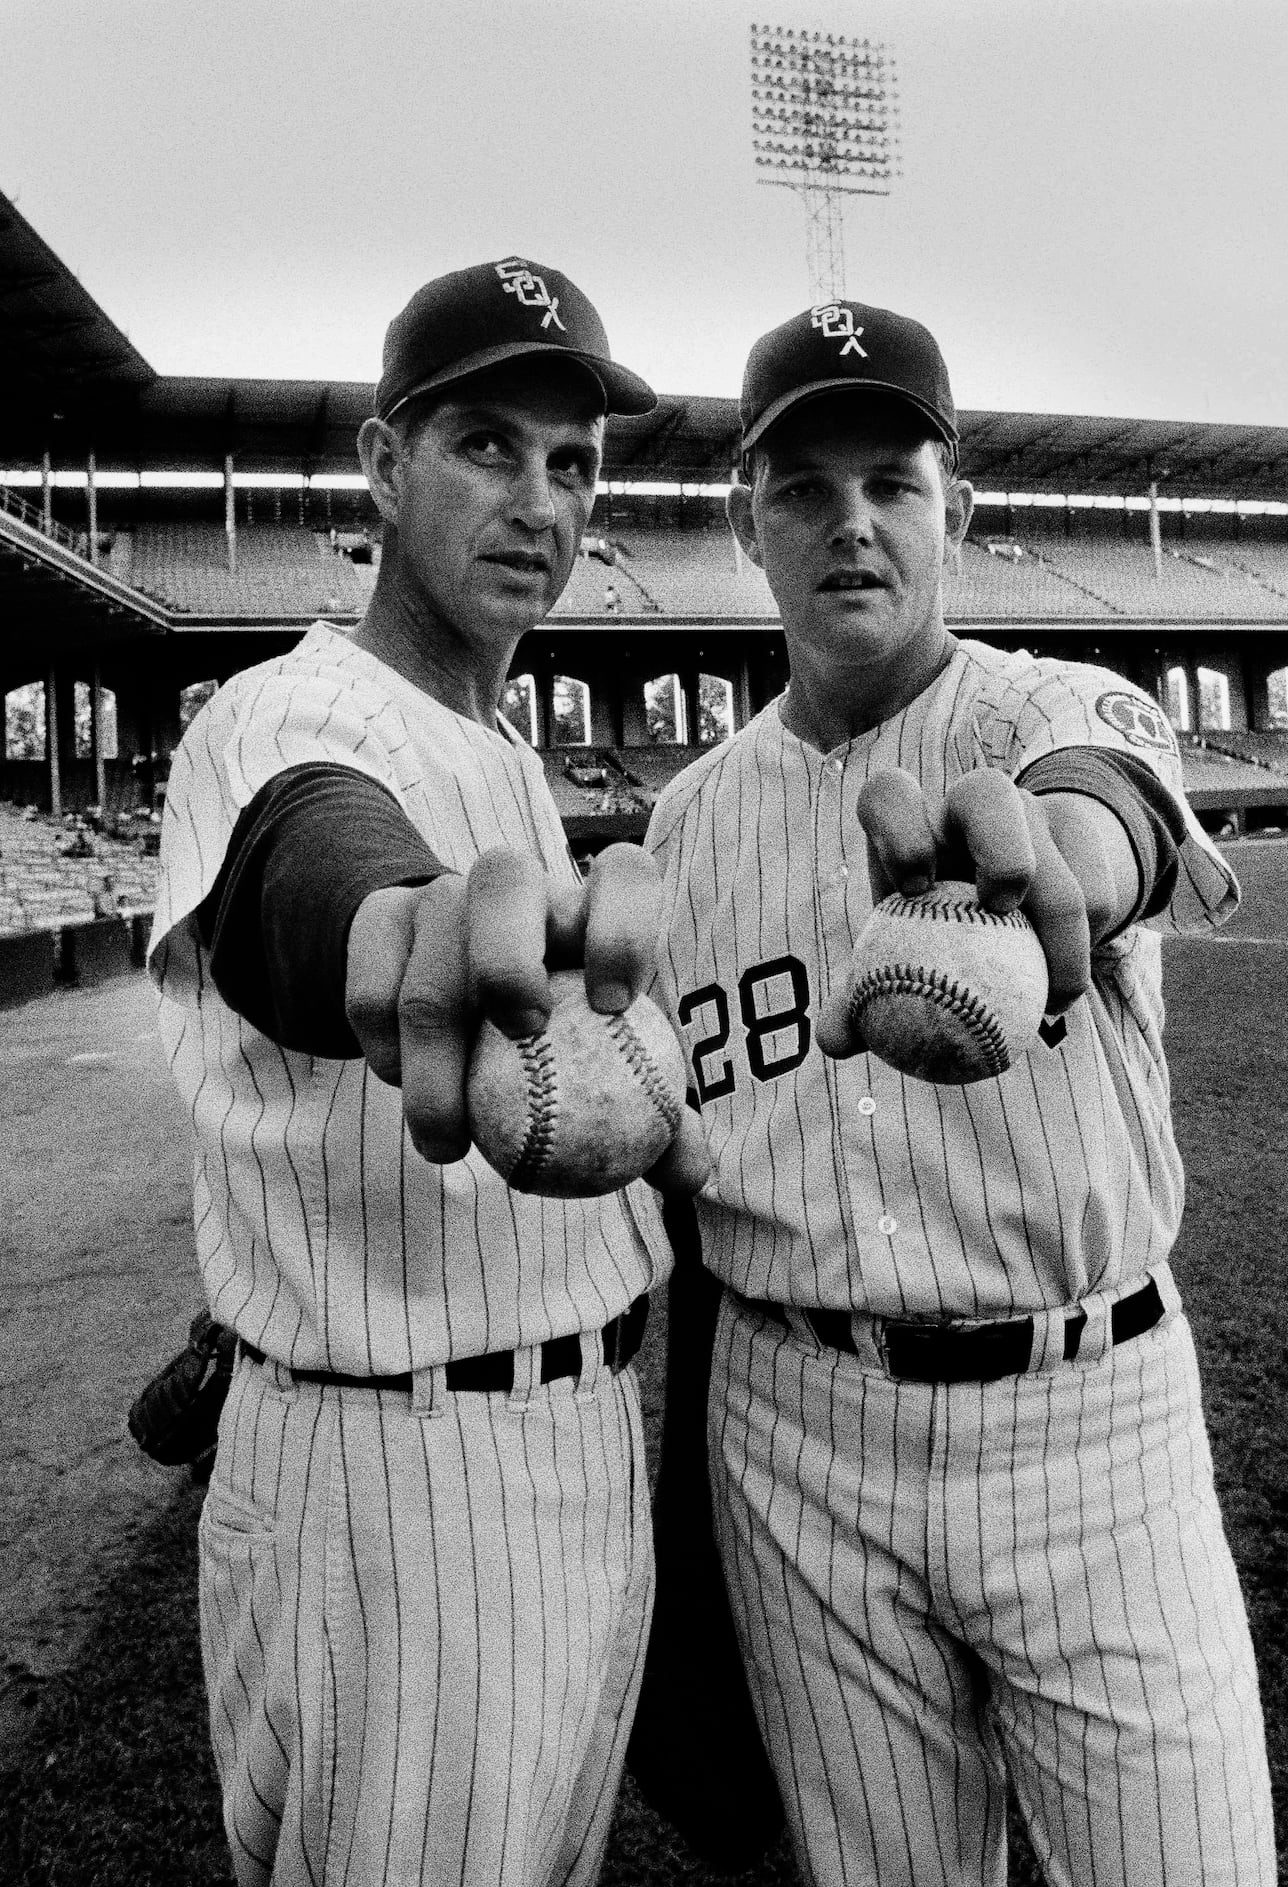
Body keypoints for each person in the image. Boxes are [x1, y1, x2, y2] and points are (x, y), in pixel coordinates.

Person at [643, 300, 1276, 1886]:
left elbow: (1106, 808)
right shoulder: (685, 824)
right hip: (793, 1437)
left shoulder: (1055, 707)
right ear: (747, 525)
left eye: (892, 483)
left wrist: (1056, 860)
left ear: (958, 511)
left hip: (1088, 1423)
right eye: (804, 488)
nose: (851, 522)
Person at [149, 257, 703, 1887]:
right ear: (385, 467)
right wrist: (392, 924)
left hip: (568, 1445)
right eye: (486, 447)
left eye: (574, 463)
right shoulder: (280, 715)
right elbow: (313, 856)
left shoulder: (505, 755)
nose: (541, 502)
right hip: (400, 1484)